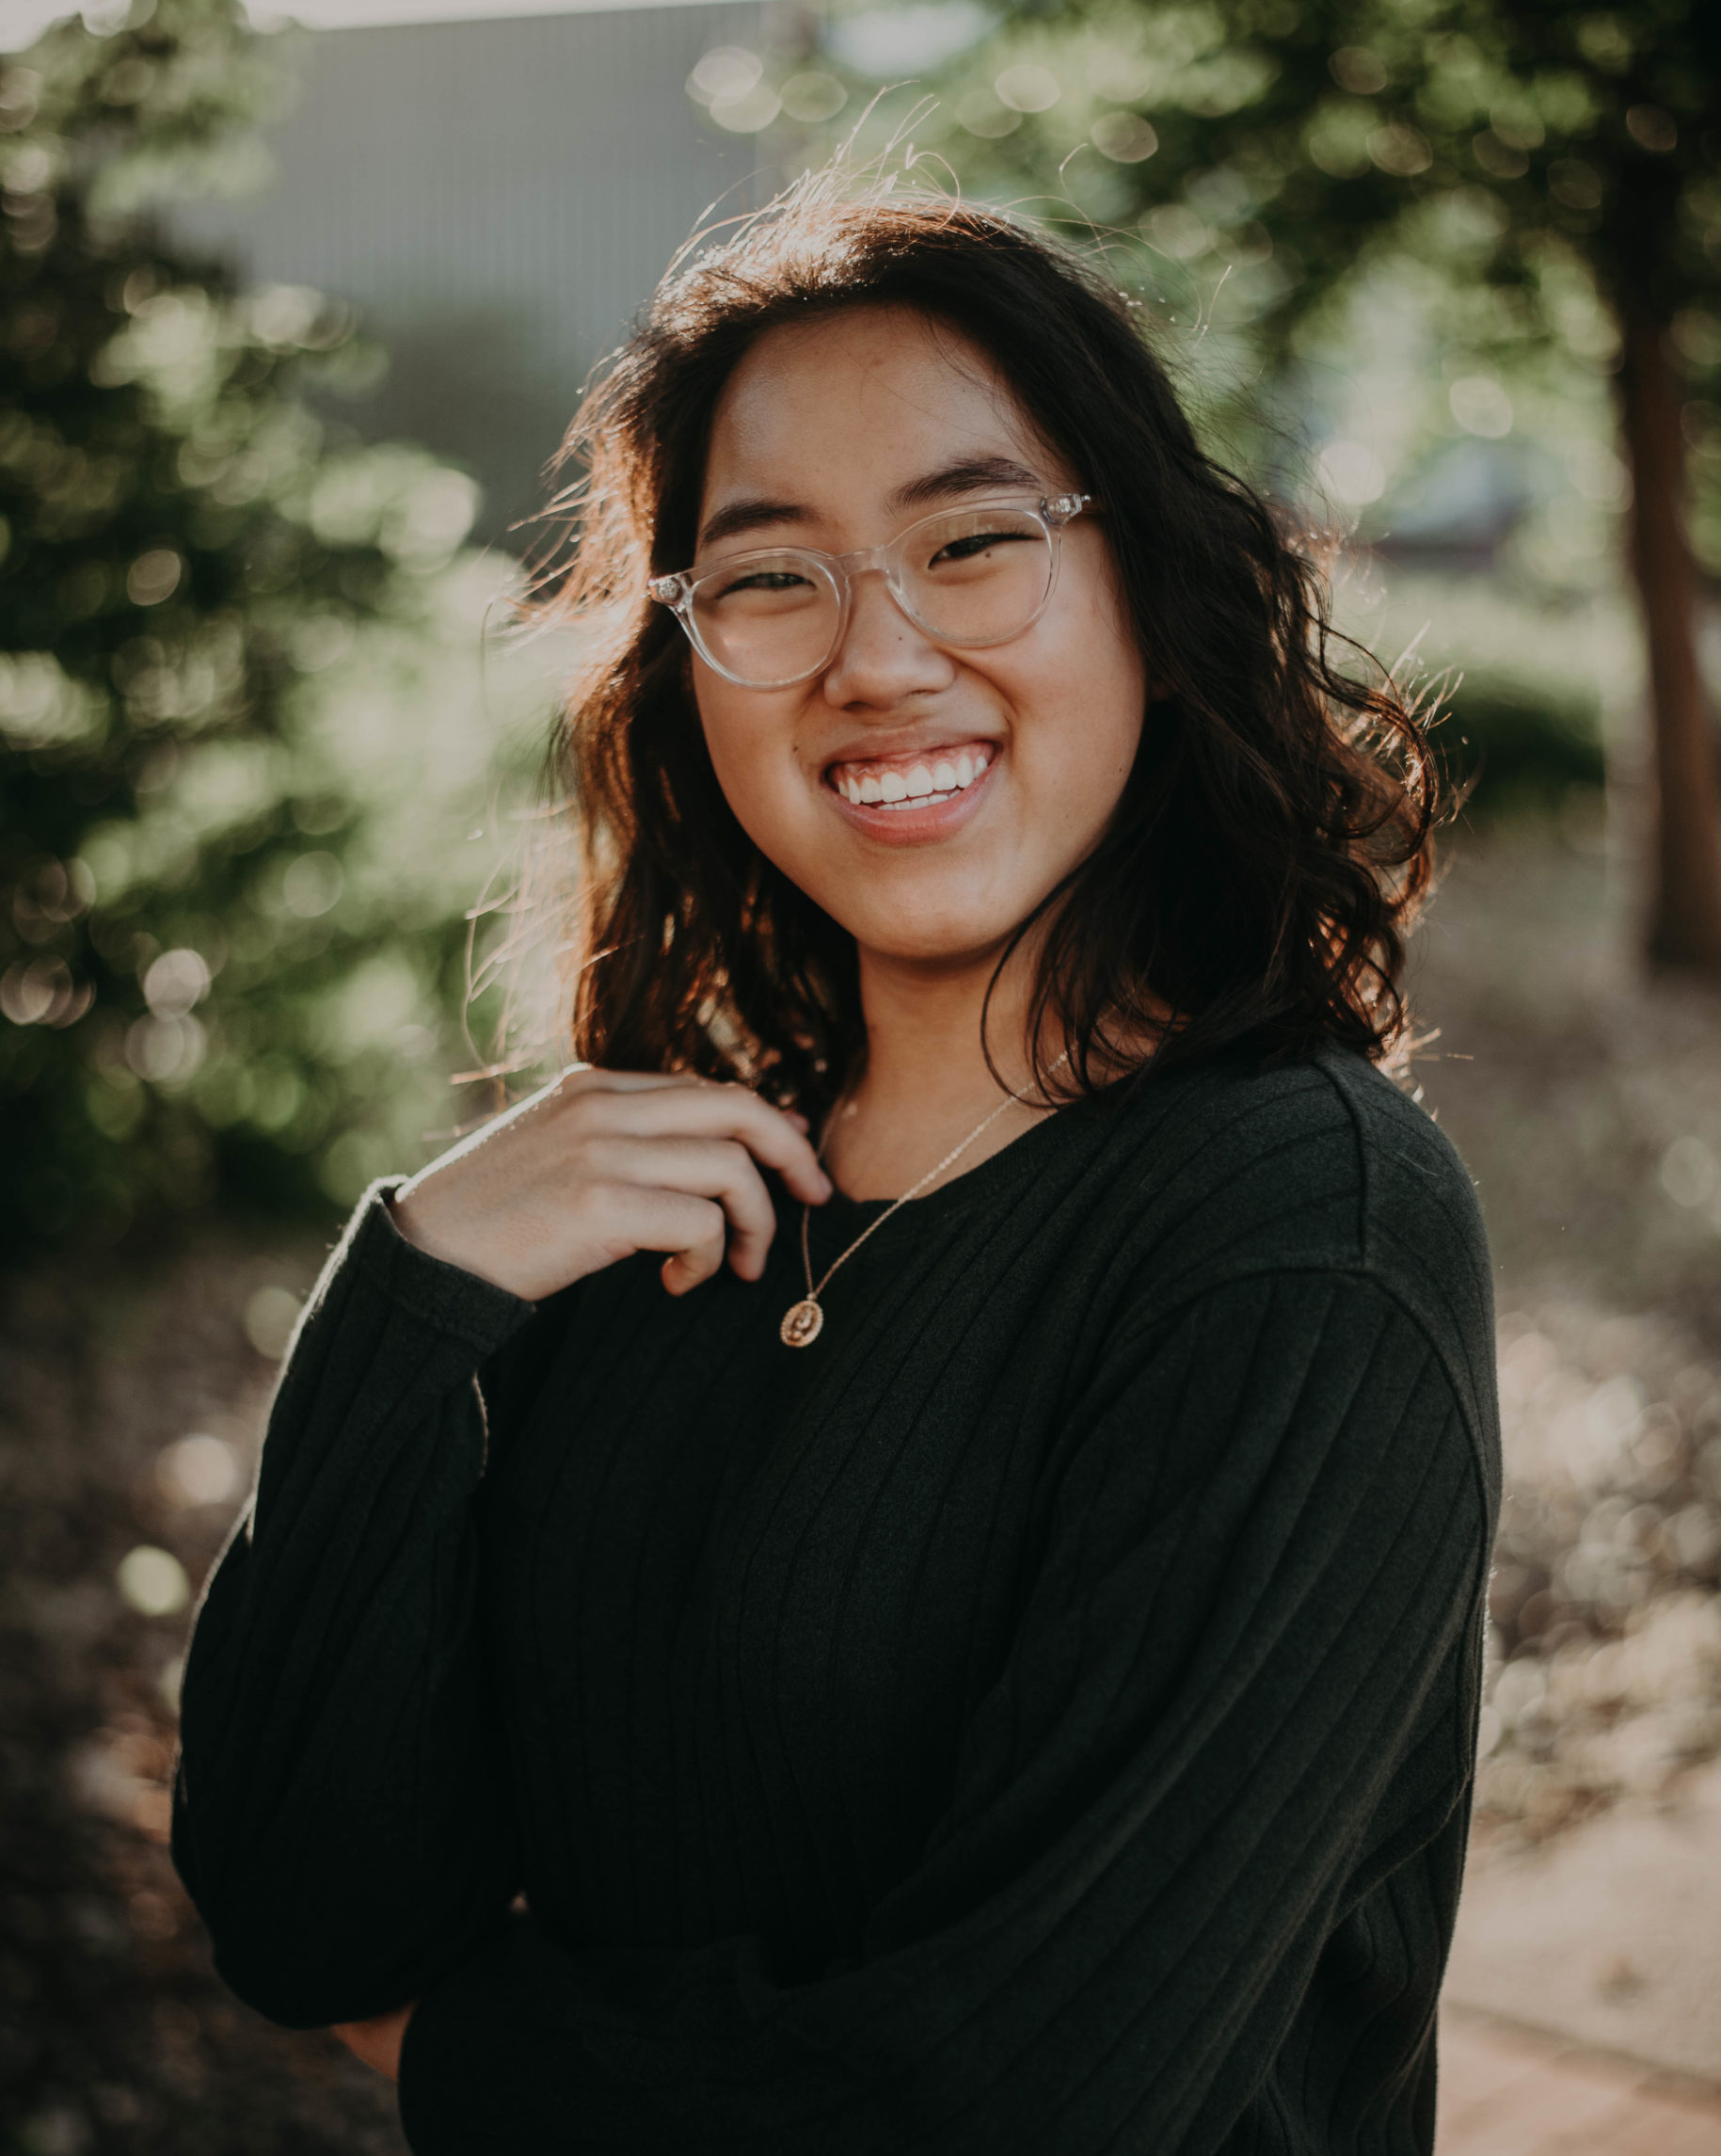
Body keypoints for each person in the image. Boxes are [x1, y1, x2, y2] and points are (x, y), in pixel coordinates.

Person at [171, 178, 1501, 2155]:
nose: (874, 661)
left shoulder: (1304, 1235)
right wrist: (410, 1290)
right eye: (772, 578)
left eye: (973, 543)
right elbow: (303, 1915)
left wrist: (454, 2051)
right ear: (686, 666)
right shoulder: (646, 1212)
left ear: (1148, 581)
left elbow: (1000, 2110)